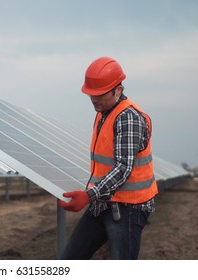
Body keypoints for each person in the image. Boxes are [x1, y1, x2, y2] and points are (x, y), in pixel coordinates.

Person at [59, 56, 158, 260]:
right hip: (104, 202)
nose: (94, 100)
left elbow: (123, 168)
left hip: (129, 208)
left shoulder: (128, 117)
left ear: (118, 90)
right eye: (91, 95)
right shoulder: (103, 110)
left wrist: (88, 196)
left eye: (100, 95)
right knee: (70, 259)